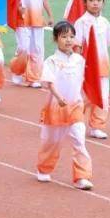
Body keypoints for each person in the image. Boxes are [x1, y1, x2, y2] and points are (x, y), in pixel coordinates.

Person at [36, 21, 94, 190]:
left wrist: (88, 99)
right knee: (52, 142)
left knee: (79, 141)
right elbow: (50, 83)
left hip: (75, 107)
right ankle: (44, 169)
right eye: (64, 36)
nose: (68, 40)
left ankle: (82, 177)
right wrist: (59, 97)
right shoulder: (51, 61)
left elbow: (84, 81)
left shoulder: (79, 60)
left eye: (71, 36)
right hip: (56, 107)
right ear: (56, 39)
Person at [73, 0, 110, 139]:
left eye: (98, 0)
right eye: (91, 0)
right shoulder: (81, 22)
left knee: (103, 97)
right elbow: (76, 45)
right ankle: (76, 122)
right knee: (84, 97)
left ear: (103, 2)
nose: (95, 3)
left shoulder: (105, 23)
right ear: (85, 2)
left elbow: (107, 43)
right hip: (86, 67)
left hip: (103, 66)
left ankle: (97, 126)